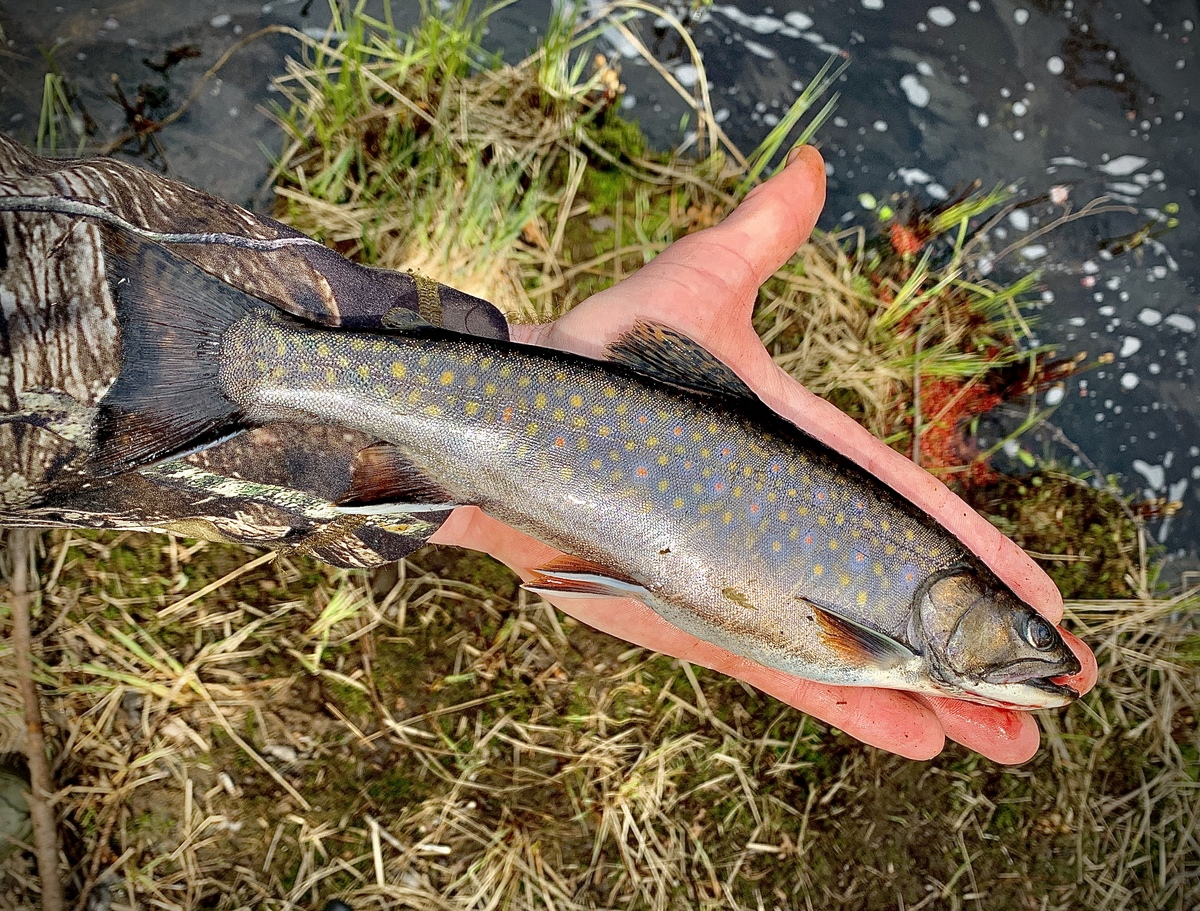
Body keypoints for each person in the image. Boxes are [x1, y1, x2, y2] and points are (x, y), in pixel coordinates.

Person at [0, 135, 1095, 761]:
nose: (1029, 647)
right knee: (249, 358)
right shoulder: (884, 627)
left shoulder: (902, 630)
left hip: (532, 429)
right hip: (533, 421)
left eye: (1022, 633)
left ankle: (240, 357)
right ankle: (247, 356)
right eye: (1018, 623)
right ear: (966, 601)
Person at [429, 146, 1096, 763]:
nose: (1041, 653)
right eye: (1033, 636)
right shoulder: (897, 643)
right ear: (964, 598)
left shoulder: (910, 644)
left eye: (1037, 640)